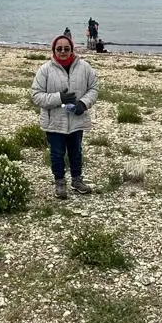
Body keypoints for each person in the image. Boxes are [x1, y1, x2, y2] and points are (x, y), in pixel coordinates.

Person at [30, 34, 98, 199]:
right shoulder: (45, 69)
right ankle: (60, 183)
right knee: (57, 153)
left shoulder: (85, 67)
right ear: (53, 50)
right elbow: (36, 96)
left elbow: (94, 88)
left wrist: (83, 103)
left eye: (66, 48)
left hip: (77, 120)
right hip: (54, 121)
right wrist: (58, 98)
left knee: (76, 152)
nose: (63, 51)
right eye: (59, 49)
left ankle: (77, 181)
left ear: (72, 49)